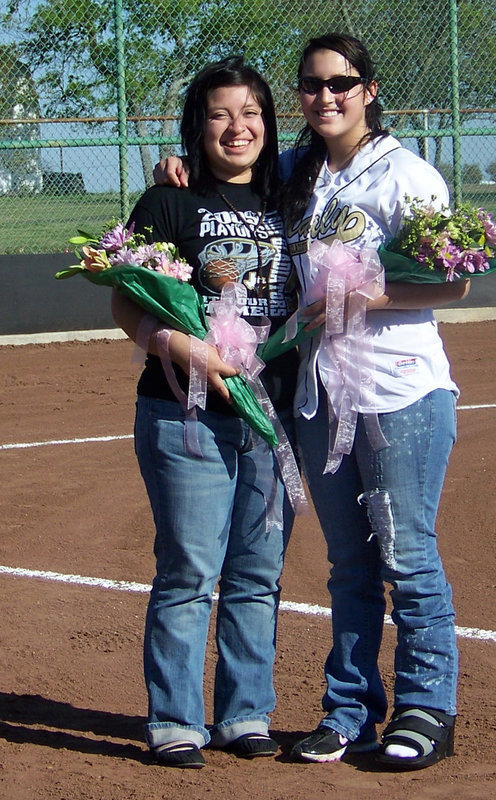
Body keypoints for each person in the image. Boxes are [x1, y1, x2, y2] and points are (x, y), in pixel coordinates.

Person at [154, 33, 469, 771]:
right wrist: (176, 165)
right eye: (311, 85)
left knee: (406, 554)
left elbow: (455, 282)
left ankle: (427, 707)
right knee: (348, 564)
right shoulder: (299, 169)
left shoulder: (407, 175)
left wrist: (369, 295)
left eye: (341, 83)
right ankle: (350, 710)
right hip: (318, 396)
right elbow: (231, 164)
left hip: (398, 390)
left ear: (369, 90)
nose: (325, 96)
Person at [111, 56, 303, 768]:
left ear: (268, 124)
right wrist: (178, 345)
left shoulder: (292, 197)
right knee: (190, 571)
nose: (237, 127)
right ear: (198, 125)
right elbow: (125, 299)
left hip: (273, 412)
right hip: (184, 412)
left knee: (257, 572)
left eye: (250, 113)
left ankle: (245, 713)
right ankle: (175, 721)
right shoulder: (168, 201)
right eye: (220, 114)